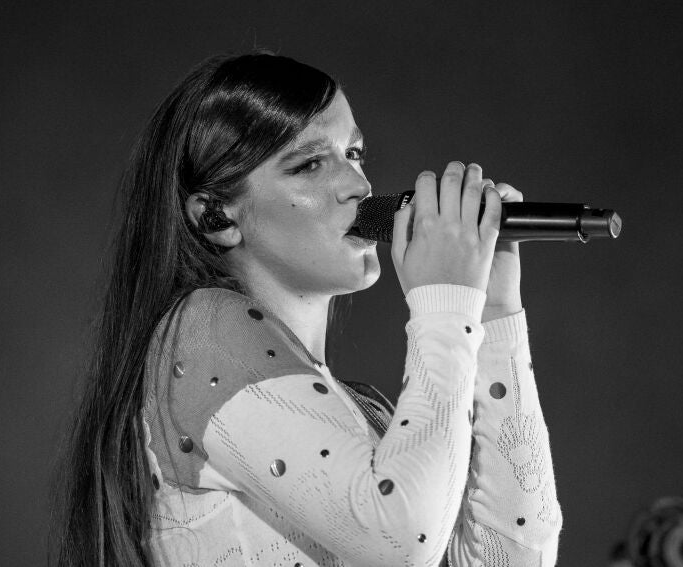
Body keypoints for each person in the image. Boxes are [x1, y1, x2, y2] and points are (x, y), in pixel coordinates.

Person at [51, 51, 563, 566]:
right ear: (216, 216)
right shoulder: (204, 330)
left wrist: (495, 313)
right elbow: (401, 539)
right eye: (310, 164)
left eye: (354, 153)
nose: (359, 186)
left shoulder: (365, 416)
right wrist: (446, 306)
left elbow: (514, 557)